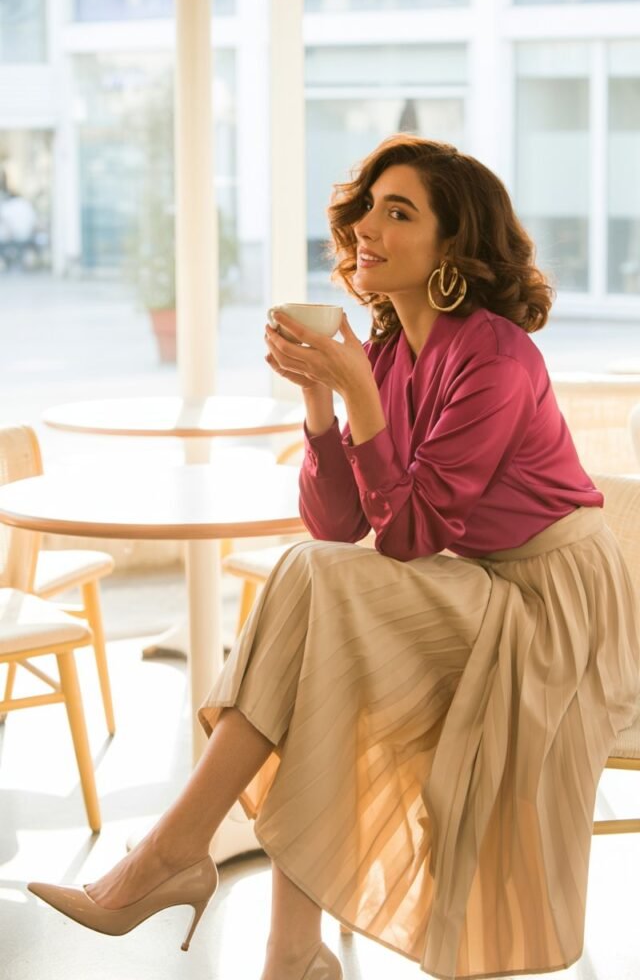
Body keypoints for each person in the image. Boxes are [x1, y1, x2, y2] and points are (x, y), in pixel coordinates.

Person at [27, 135, 640, 980]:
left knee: (317, 600)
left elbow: (409, 535)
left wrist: (355, 393)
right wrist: (321, 400)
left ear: (452, 246)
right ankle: (286, 945)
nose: (368, 228)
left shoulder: (493, 356)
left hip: (550, 604)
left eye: (400, 212)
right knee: (317, 613)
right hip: (468, 582)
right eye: (366, 210)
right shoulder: (387, 355)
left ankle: (179, 859)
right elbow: (335, 523)